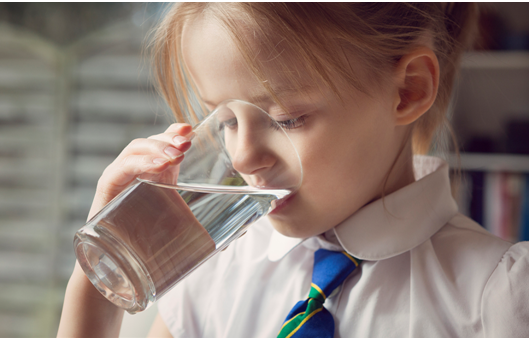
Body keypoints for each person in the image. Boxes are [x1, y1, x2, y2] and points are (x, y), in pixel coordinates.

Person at [57, 3, 529, 337]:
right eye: (224, 121)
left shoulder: (500, 300)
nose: (241, 157)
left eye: (286, 119)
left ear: (408, 91)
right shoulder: (218, 276)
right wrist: (101, 285)